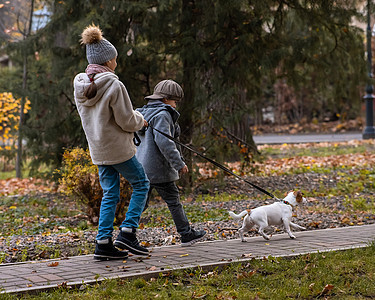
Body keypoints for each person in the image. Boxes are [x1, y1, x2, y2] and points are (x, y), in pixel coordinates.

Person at [73, 24, 150, 260]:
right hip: (118, 150)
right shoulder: (114, 84)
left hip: (98, 149)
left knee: (110, 194)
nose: (116, 62)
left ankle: (103, 242)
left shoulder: (80, 86)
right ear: (108, 60)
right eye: (115, 58)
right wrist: (142, 121)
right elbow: (127, 120)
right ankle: (127, 231)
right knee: (142, 184)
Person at [136, 79, 206, 246]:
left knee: (140, 203)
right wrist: (179, 163)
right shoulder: (163, 115)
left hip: (141, 167)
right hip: (159, 169)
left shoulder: (142, 114)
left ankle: (125, 234)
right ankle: (186, 234)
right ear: (166, 99)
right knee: (173, 201)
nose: (175, 105)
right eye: (175, 101)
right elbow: (165, 143)